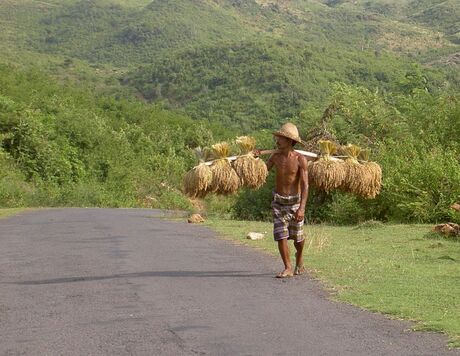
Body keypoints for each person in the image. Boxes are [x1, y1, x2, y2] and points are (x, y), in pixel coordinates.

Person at [255, 123, 309, 278]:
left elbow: (305, 185)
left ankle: (299, 257)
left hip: (295, 203)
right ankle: (287, 268)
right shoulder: (275, 157)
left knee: (298, 238)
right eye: (278, 137)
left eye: (281, 138)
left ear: (289, 141)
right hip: (278, 201)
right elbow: (261, 173)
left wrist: (302, 208)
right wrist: (256, 160)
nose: (277, 140)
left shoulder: (300, 159)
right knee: (281, 235)